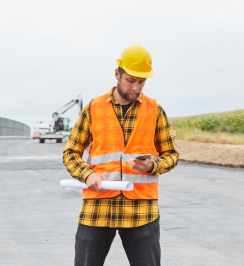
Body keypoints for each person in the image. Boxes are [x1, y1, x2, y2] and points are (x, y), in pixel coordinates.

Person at [63, 45, 178, 266]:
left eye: (142, 82)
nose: (136, 87)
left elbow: (171, 155)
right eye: (131, 80)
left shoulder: (155, 110)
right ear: (117, 74)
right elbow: (71, 153)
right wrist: (88, 175)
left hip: (141, 210)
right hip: (97, 206)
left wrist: (152, 166)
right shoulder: (94, 108)